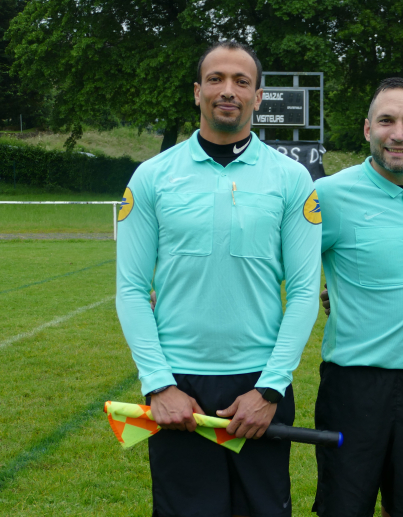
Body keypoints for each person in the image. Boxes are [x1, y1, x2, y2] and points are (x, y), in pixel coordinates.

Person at [115, 41, 322, 517]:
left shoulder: (291, 179)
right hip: (177, 389)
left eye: (241, 81)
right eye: (216, 79)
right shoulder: (152, 176)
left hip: (260, 388)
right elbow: (129, 288)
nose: (227, 90)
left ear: (258, 96)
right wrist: (158, 384)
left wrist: (270, 389)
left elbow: (305, 290)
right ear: (197, 91)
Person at [312, 78, 403, 517]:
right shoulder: (330, 196)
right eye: (387, 120)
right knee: (345, 508)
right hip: (355, 386)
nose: (398, 133)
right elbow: (274, 266)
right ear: (367, 128)